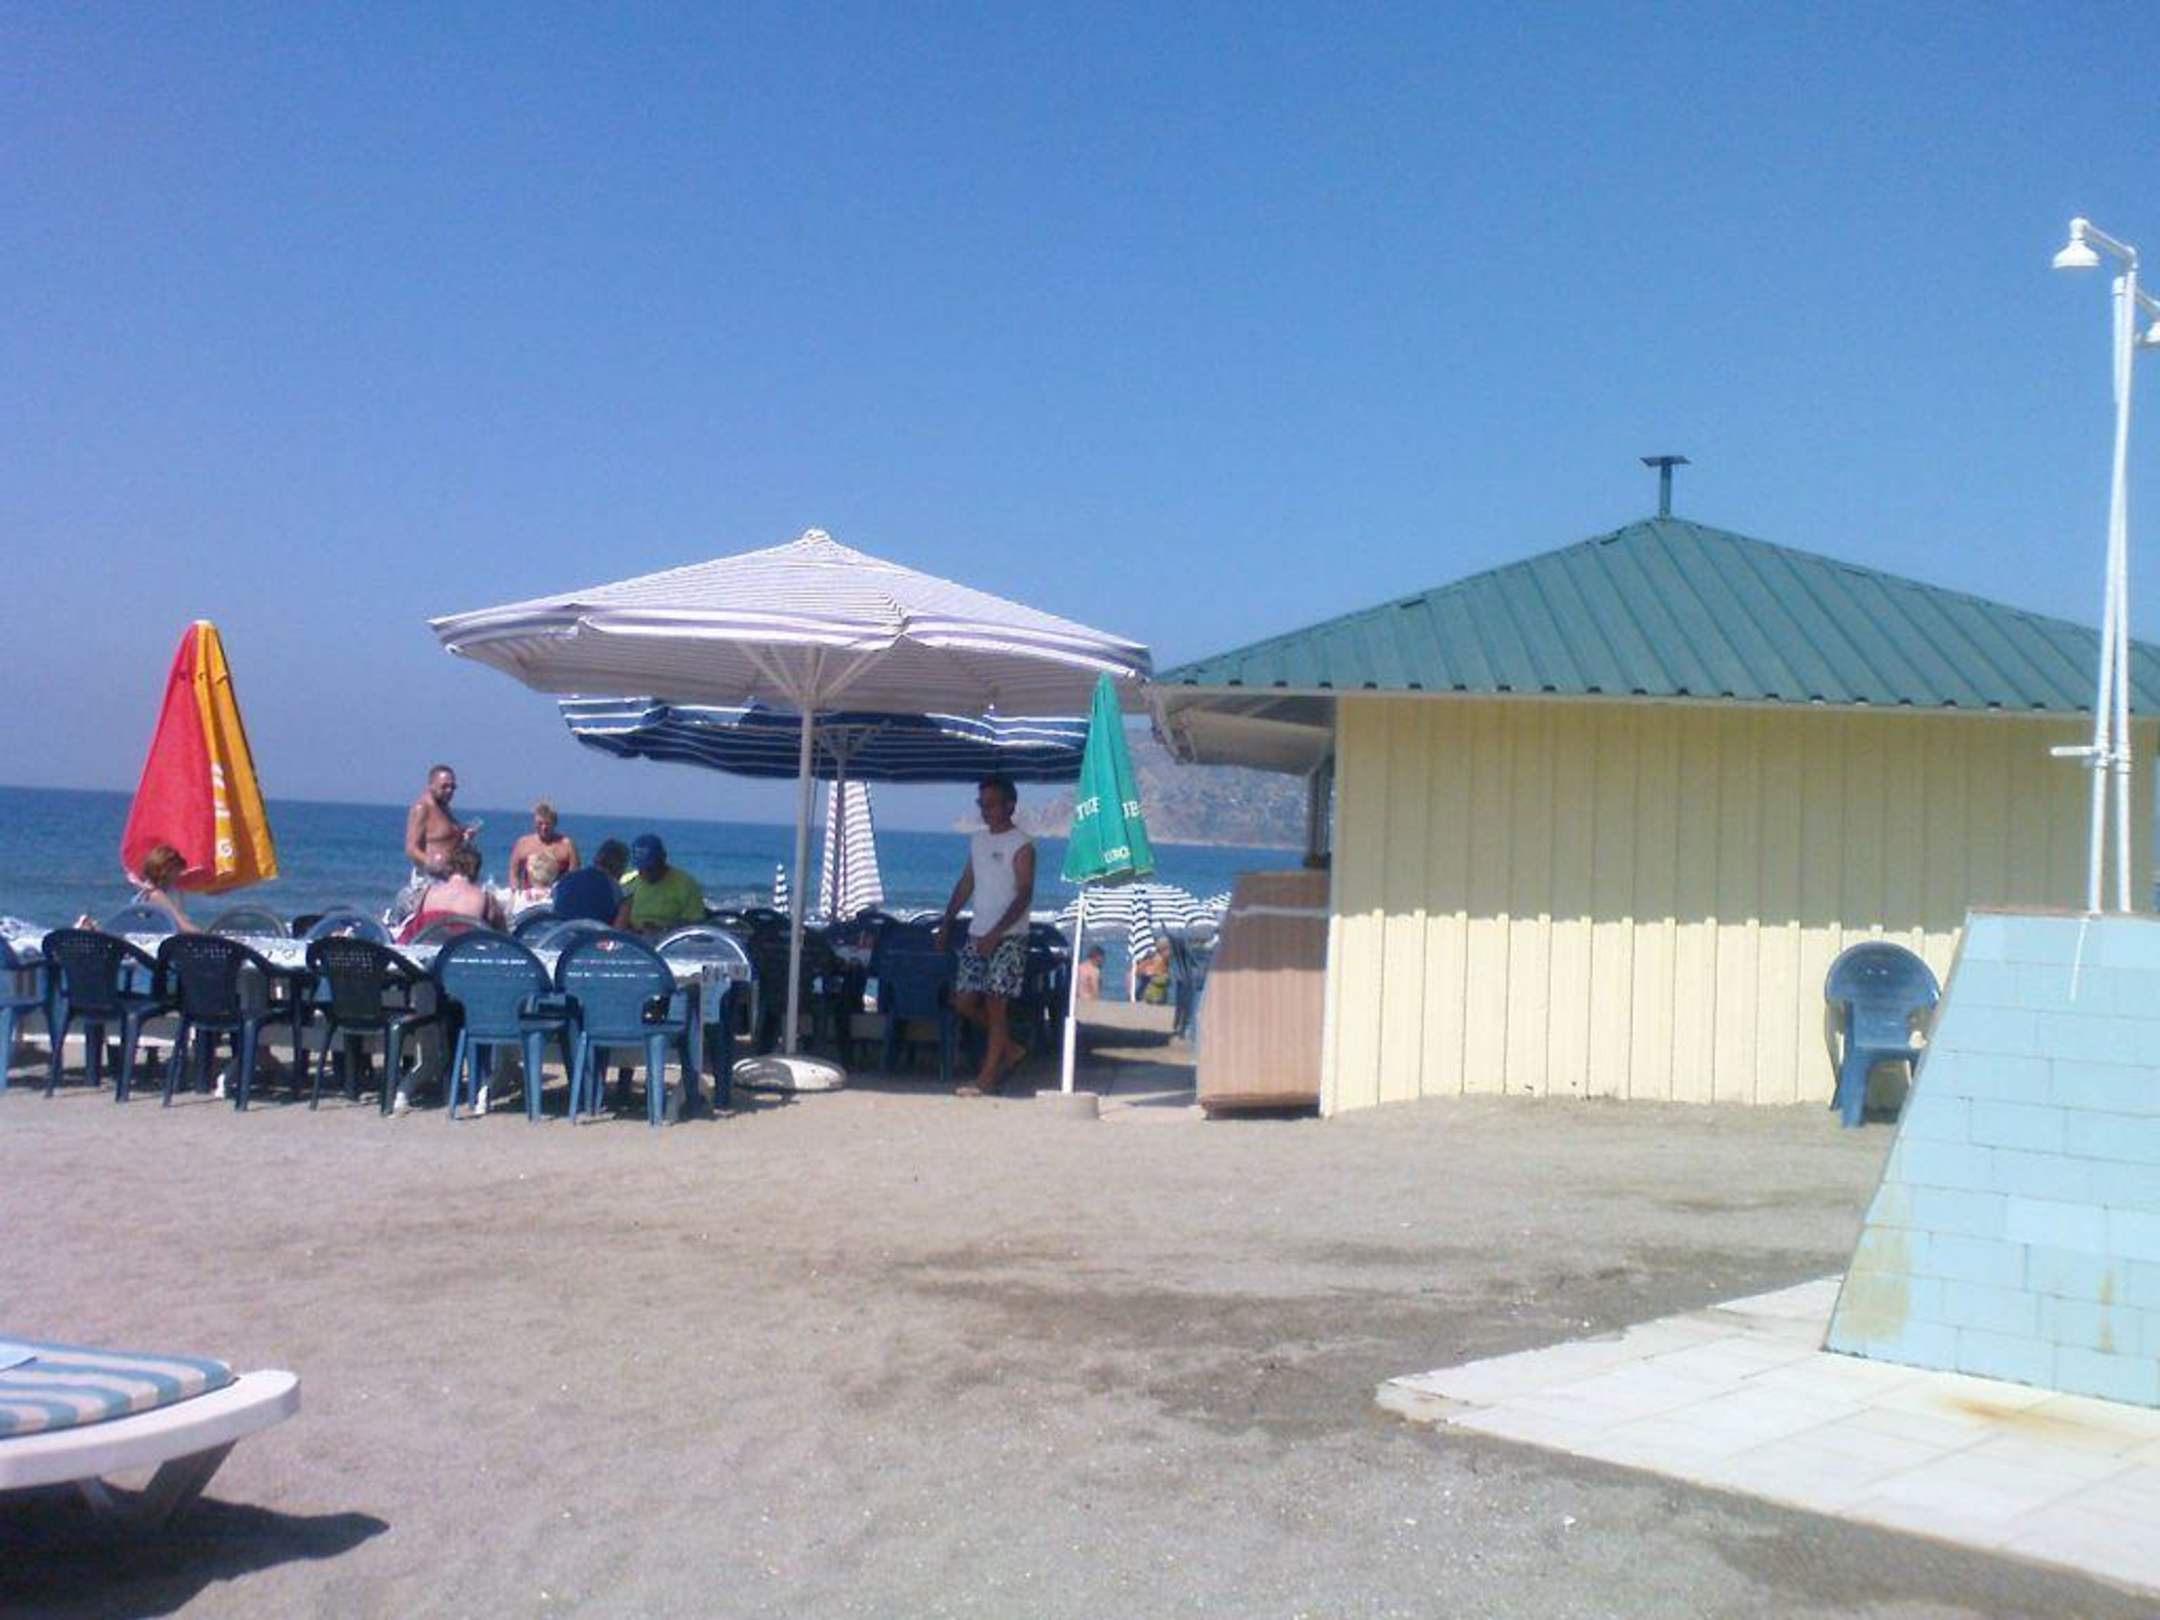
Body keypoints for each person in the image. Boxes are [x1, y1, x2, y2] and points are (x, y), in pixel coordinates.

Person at [934, 773, 1035, 1097]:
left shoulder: (1022, 844)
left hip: (1009, 937)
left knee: (996, 1004)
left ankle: (987, 1078)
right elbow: (967, 882)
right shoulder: (978, 841)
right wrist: (947, 921)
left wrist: (997, 933)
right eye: (982, 804)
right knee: (963, 1000)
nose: (985, 810)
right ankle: (1011, 1048)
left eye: (991, 804)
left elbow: (1024, 893)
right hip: (977, 933)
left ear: (1010, 805)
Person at [398, 764, 477, 922]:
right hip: (429, 880)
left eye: (453, 787)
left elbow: (443, 837)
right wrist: (434, 864)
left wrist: (464, 835)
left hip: (449, 879)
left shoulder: (443, 807)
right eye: (444, 786)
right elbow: (411, 848)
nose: (449, 791)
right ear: (431, 785)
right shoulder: (422, 807)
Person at [397, 845, 506, 942]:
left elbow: (415, 927)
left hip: (427, 950)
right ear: (476, 870)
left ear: (449, 867)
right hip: (462, 952)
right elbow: (502, 934)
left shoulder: (427, 893)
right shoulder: (485, 899)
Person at [616, 835, 705, 935]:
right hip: (632, 937)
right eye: (640, 868)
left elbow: (695, 923)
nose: (644, 873)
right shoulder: (627, 882)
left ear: (662, 860)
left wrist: (663, 929)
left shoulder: (686, 884)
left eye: (650, 868)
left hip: (669, 939)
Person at [552, 838, 628, 924]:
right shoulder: (615, 890)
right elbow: (618, 928)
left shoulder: (566, 879)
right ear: (620, 867)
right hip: (593, 931)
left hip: (562, 929)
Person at [508, 800, 579, 891]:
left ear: (554, 823)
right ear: (534, 823)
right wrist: (516, 891)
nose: (544, 827)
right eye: (540, 823)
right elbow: (513, 873)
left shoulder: (567, 845)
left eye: (547, 823)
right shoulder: (523, 844)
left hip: (557, 895)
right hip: (530, 895)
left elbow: (574, 876)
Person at [1133, 935, 1173, 1004]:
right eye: (1167, 949)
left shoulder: (1165, 961)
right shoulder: (1152, 959)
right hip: (1149, 992)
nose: (1169, 952)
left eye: (1169, 949)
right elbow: (1138, 972)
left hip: (1157, 992)